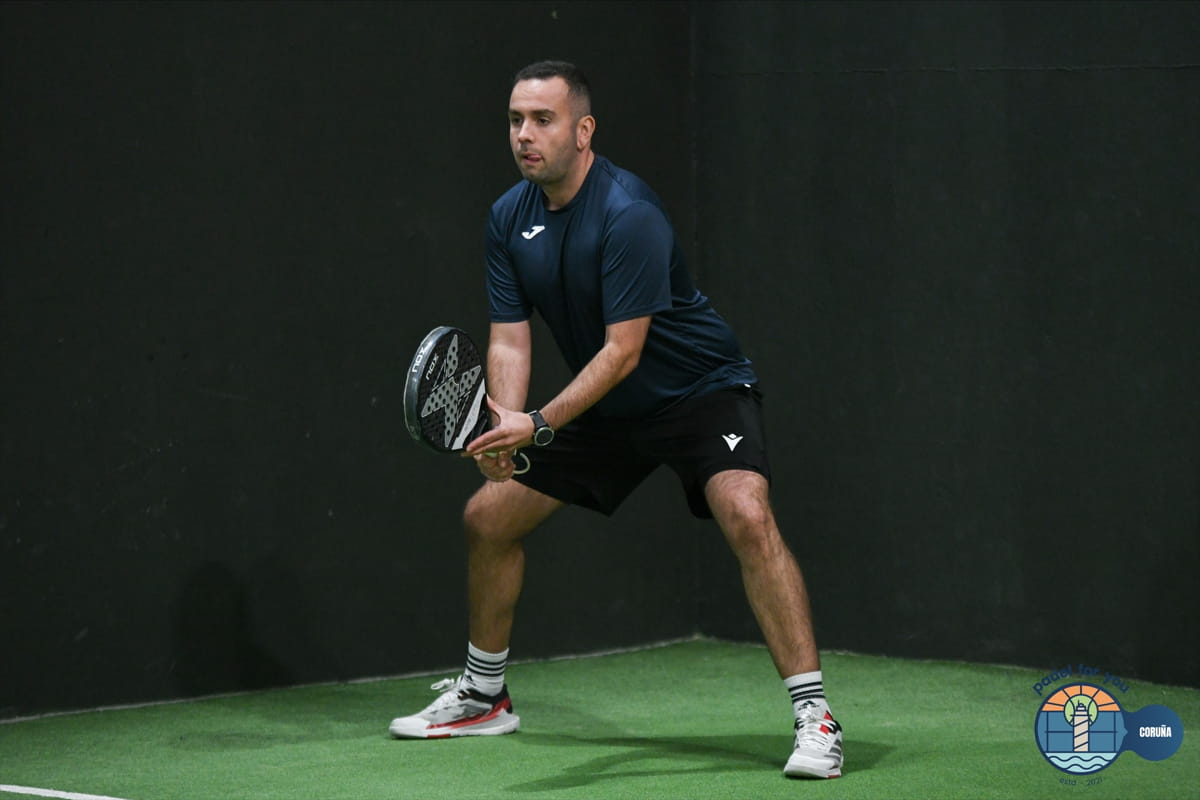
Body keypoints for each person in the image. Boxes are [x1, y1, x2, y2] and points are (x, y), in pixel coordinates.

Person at [389, 60, 843, 779]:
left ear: (583, 130)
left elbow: (623, 351)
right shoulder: (508, 217)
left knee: (747, 513)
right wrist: (503, 421)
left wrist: (538, 423)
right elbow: (510, 338)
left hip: (700, 393)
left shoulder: (628, 212)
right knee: (488, 518)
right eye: (515, 120)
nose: (525, 134)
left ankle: (815, 717)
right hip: (608, 406)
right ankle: (483, 696)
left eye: (543, 119)